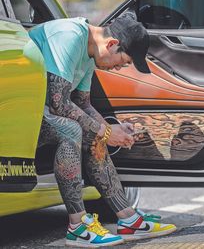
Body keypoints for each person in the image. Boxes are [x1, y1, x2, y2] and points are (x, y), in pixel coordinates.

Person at [29, 12, 177, 248]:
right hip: (18, 113)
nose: (120, 68)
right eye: (124, 62)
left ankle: (128, 218)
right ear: (112, 44)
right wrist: (106, 133)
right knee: (72, 130)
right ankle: (77, 226)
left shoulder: (89, 53)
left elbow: (82, 103)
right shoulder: (69, 36)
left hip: (40, 113)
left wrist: (110, 129)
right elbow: (58, 102)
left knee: (93, 134)